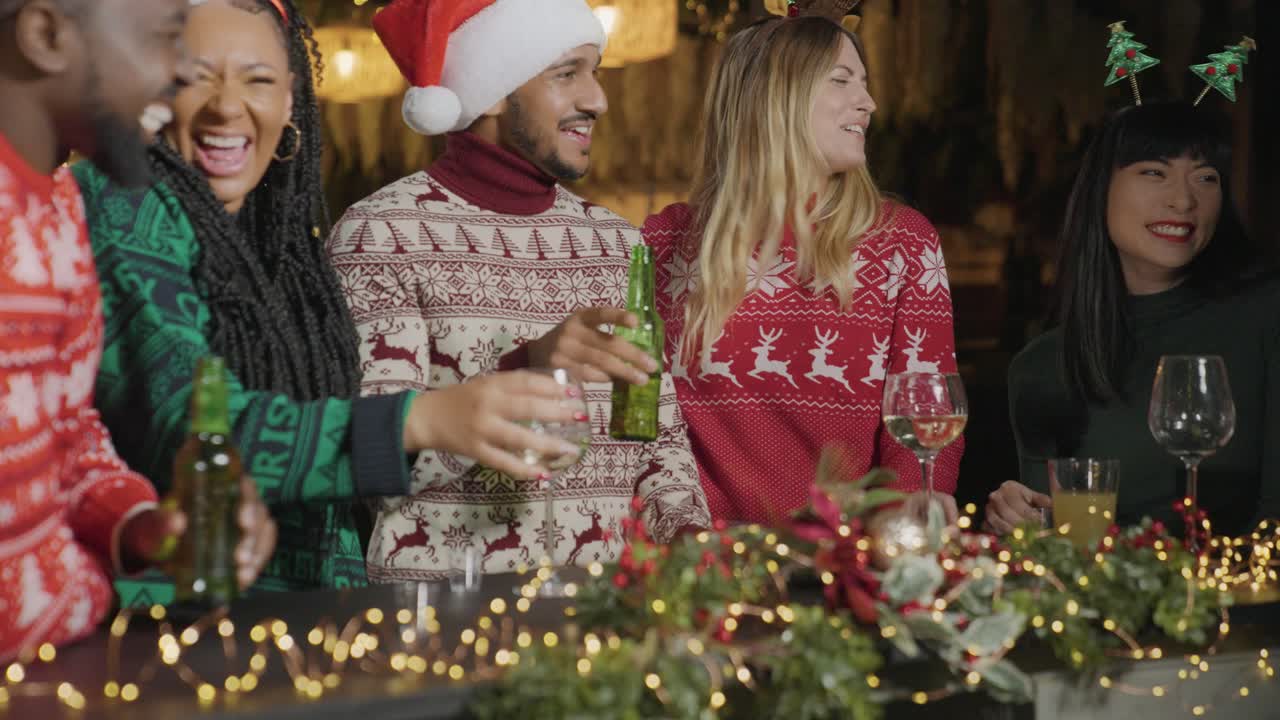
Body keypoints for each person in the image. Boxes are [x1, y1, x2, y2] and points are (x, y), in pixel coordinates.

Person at [73, 0, 582, 604]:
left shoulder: (281, 243)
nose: (227, 106)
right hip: (164, 641)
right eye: (195, 77)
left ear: (290, 100)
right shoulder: (123, 201)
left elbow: (328, 504)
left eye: (257, 80)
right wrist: (419, 420)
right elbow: (191, 424)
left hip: (298, 628)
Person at [329, 0, 710, 581]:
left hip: (599, 622)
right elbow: (371, 464)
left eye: (596, 71)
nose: (597, 99)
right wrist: (527, 370)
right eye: (567, 73)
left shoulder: (615, 243)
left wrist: (694, 544)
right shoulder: (382, 234)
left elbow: (659, 442)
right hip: (441, 625)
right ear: (495, 90)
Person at [0, 0, 274, 660]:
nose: (182, 75)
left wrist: (145, 525)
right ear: (46, 35)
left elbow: (64, 431)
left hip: (71, 661)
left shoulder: (58, 203)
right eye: (167, 38)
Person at [643, 15, 964, 525]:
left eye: (865, 83)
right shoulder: (660, 245)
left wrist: (898, 546)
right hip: (699, 569)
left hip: (847, 567)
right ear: (773, 96)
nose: (869, 103)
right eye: (841, 80)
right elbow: (635, 426)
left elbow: (925, 422)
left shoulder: (903, 241)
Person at [992, 100, 1280, 537]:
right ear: (1100, 188)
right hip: (1108, 601)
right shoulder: (1043, 364)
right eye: (1154, 172)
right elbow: (1059, 550)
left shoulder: (1266, 316)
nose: (1184, 200)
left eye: (1206, 178)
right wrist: (1021, 518)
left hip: (1240, 598)